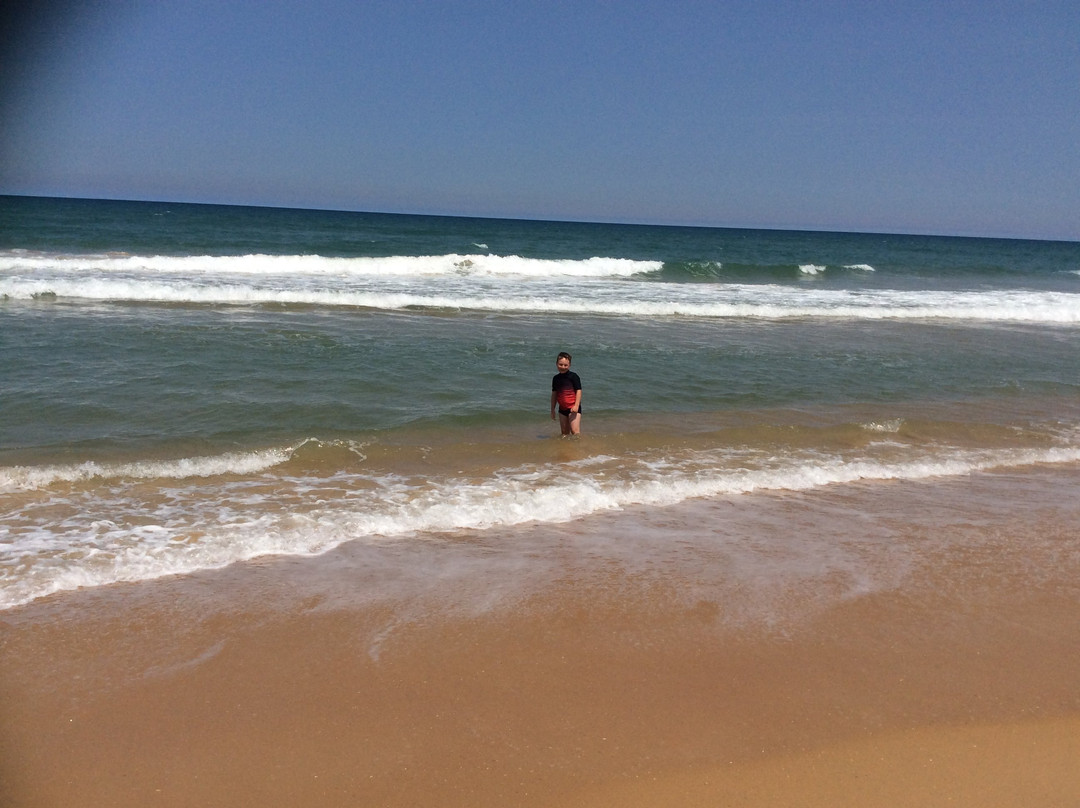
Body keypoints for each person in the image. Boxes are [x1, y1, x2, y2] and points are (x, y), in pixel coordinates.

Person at [550, 351, 582, 436]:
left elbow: (579, 390)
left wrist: (576, 405)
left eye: (565, 365)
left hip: (573, 407)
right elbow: (554, 394)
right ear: (556, 364)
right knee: (564, 433)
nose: (563, 367)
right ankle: (566, 449)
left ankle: (579, 448)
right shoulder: (556, 378)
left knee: (575, 431)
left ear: (569, 365)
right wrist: (552, 409)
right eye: (560, 364)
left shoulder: (573, 376)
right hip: (562, 409)